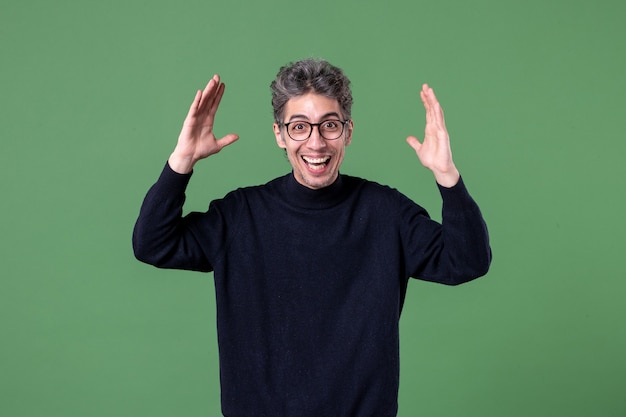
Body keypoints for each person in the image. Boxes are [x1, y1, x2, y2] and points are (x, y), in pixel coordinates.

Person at [133, 58, 491, 417]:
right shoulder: (241, 214)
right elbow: (153, 244)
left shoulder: (386, 212)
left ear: (348, 131)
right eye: (300, 127)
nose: (316, 143)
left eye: (329, 126)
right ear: (280, 135)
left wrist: (447, 176)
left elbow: (468, 261)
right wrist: (181, 162)